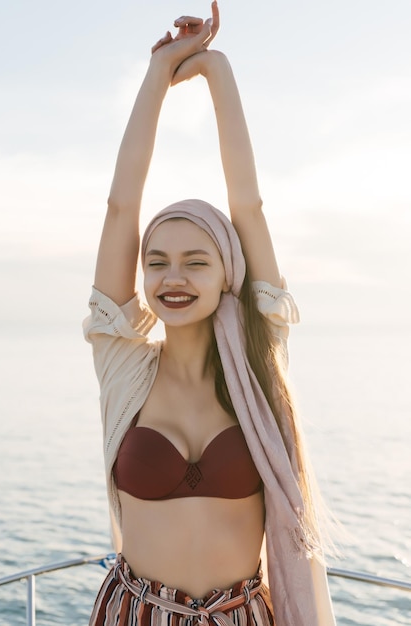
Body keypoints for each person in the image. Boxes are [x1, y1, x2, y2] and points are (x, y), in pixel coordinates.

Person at [83, 3, 336, 625]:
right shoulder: (123, 367)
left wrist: (216, 71)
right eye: (158, 262)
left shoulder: (255, 359)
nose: (173, 277)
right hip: (134, 613)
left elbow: (247, 206)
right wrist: (158, 74)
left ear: (230, 273)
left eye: (196, 261)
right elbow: (121, 208)